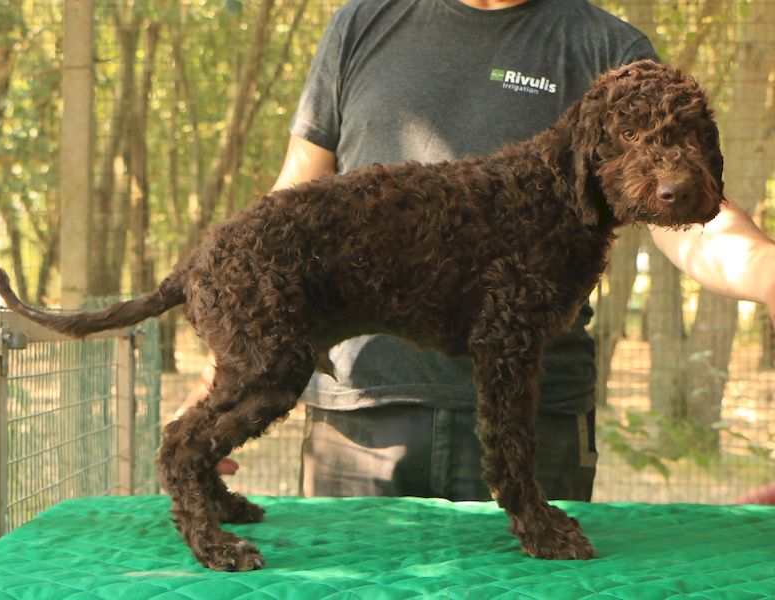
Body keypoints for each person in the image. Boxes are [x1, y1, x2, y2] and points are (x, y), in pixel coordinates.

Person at [184, 0, 775, 500]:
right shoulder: (362, 21)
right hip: (361, 414)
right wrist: (232, 351)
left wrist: (766, 271)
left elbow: (686, 217)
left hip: (536, 413)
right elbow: (296, 192)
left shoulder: (606, 45)